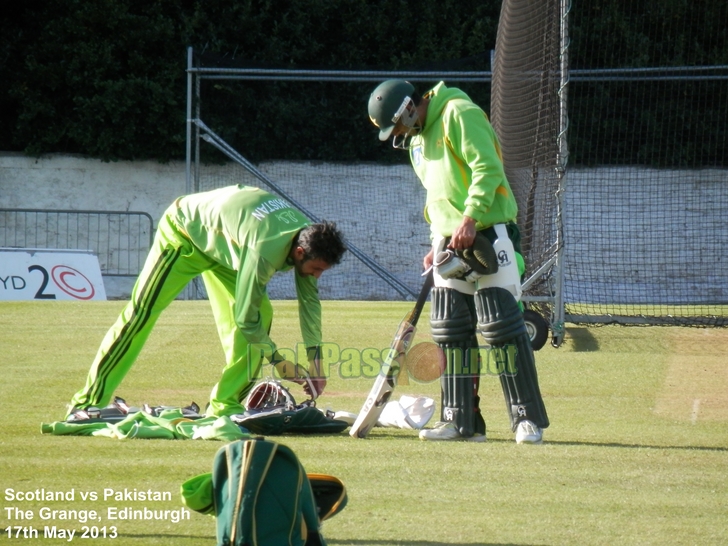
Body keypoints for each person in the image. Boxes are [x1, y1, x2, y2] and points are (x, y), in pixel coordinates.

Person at [367, 80, 549, 443]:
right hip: (450, 242)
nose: (399, 134)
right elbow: (438, 194)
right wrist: (438, 238)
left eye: (397, 125)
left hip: (487, 232)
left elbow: (488, 167)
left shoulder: (458, 113)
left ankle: (527, 419)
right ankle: (460, 421)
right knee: (450, 330)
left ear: (407, 108)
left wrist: (469, 218)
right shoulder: (416, 142)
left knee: (502, 329)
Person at [66, 184, 346, 419]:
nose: (317, 276)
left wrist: (316, 365)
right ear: (299, 252)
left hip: (226, 247)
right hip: (184, 233)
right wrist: (279, 362)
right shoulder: (266, 251)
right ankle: (86, 403)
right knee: (141, 313)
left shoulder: (309, 239)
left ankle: (226, 405)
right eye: (317, 269)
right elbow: (244, 319)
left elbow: (310, 305)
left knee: (262, 311)